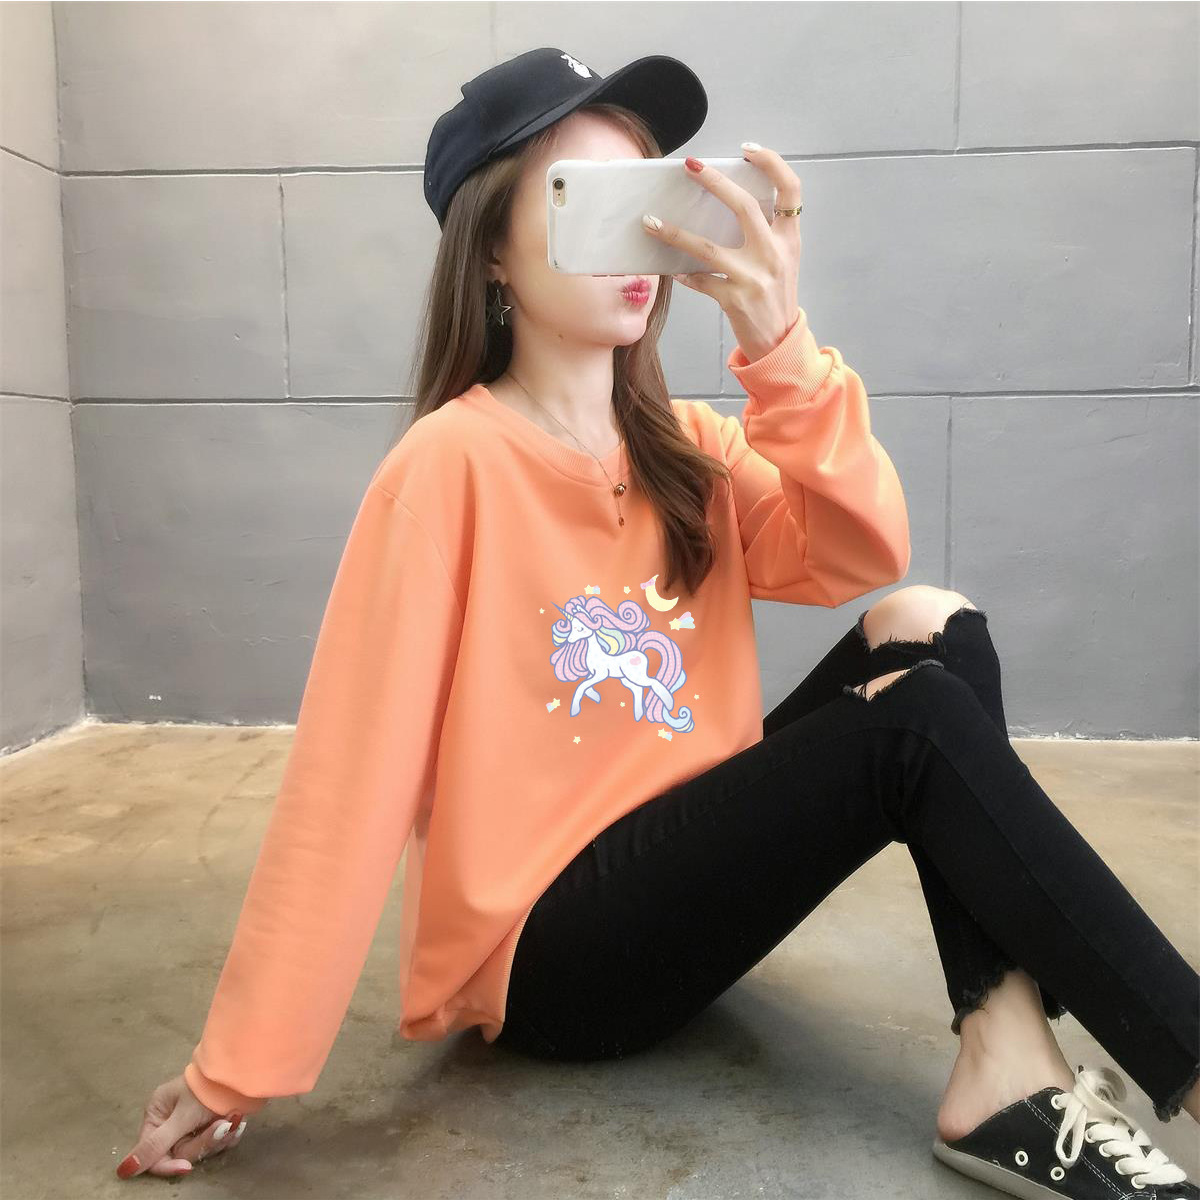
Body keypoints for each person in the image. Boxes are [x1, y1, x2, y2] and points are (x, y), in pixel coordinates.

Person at [118, 47, 1200, 1196]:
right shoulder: (449, 466)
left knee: (929, 622)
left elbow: (862, 551)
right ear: (491, 249)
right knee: (912, 723)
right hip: (555, 959)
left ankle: (1004, 1054)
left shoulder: (690, 447)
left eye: (649, 197)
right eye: (584, 199)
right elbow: (349, 777)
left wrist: (782, 347)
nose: (635, 240)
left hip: (680, 891)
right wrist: (234, 1070)